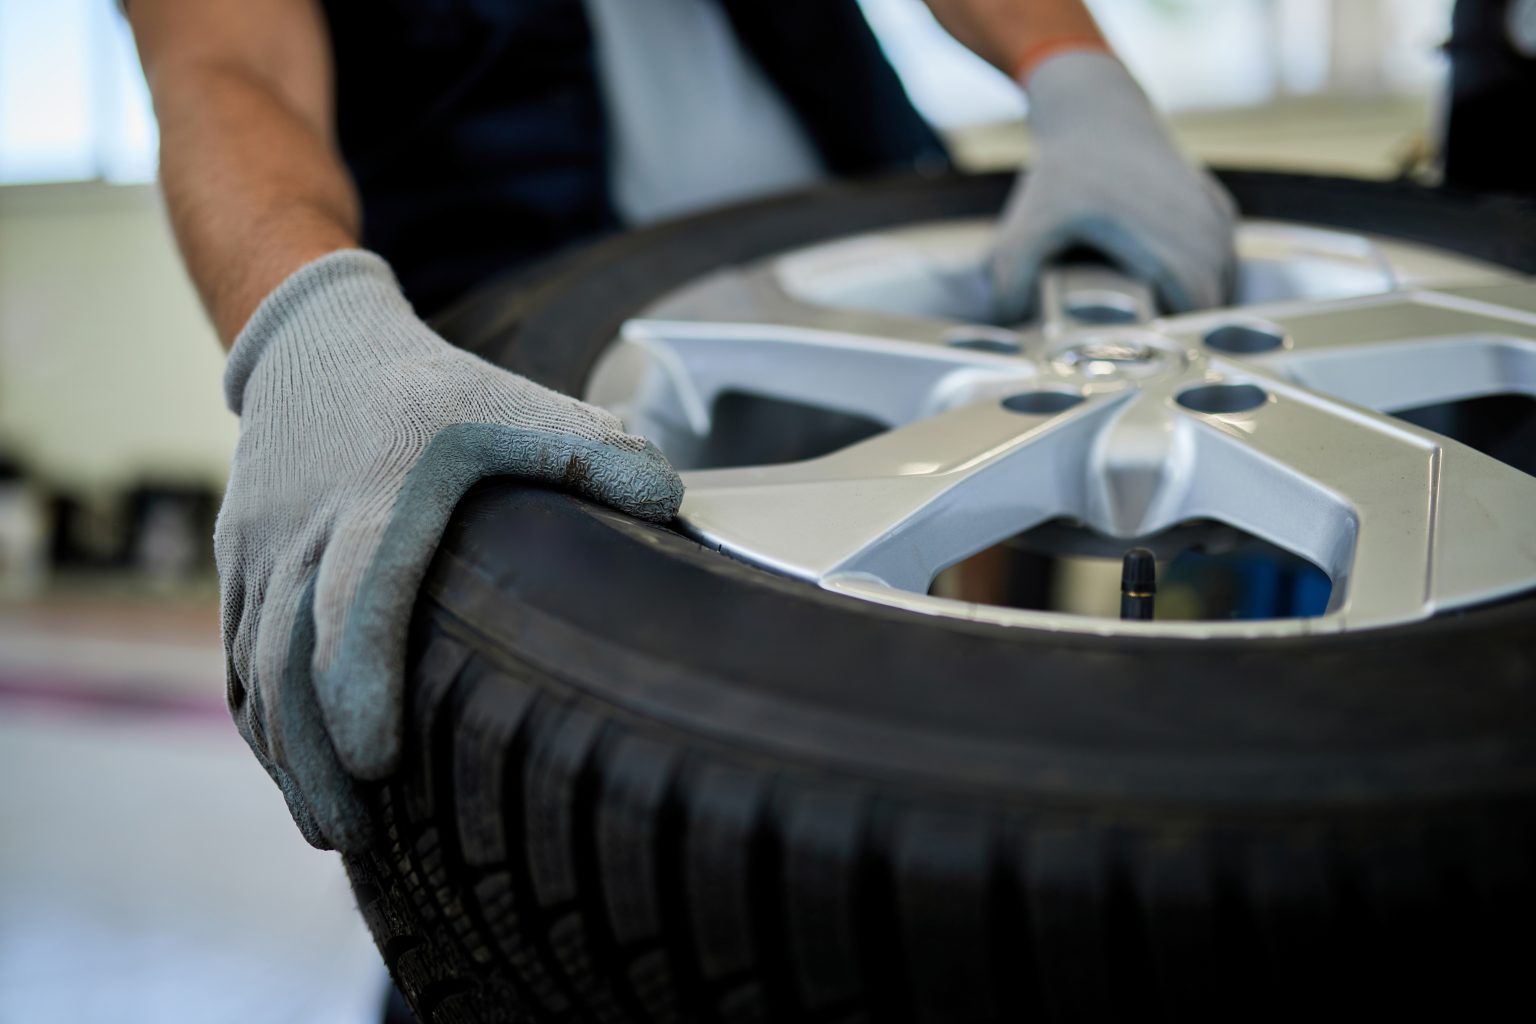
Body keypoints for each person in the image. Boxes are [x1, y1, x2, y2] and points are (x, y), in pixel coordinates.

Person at [125, 0, 1236, 852]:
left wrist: (1074, 69)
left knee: (963, 807)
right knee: (570, 850)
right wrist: (308, 325)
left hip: (888, 312)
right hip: (518, 401)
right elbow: (227, 58)